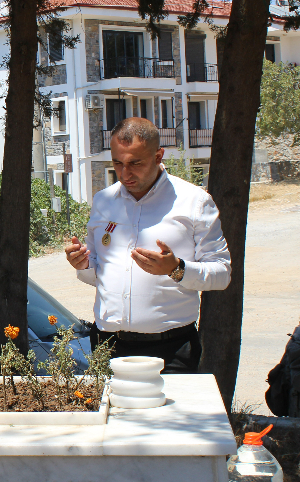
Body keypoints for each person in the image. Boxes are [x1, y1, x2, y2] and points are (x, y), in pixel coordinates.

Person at [64, 117, 231, 373]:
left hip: (171, 350)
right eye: (117, 163)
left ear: (158, 156)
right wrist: (83, 264)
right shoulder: (103, 201)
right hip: (108, 345)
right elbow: (97, 273)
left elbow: (222, 274)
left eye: (135, 163)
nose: (125, 174)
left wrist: (176, 269)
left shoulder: (194, 202)